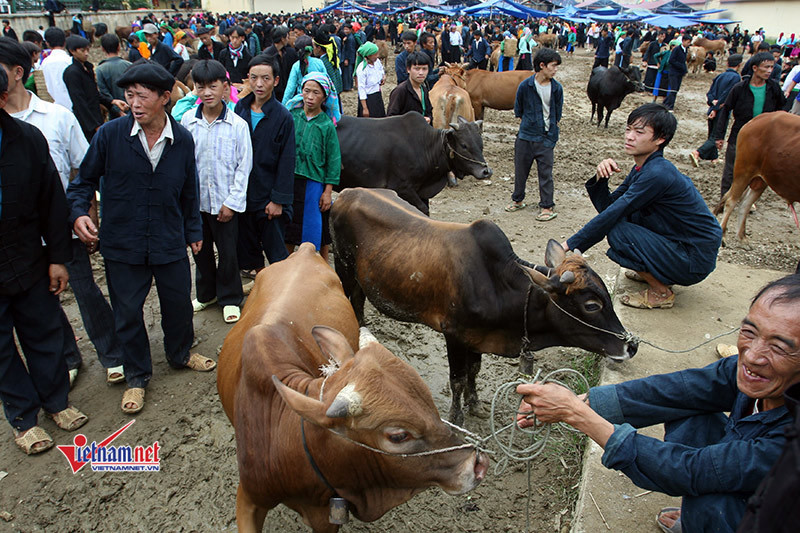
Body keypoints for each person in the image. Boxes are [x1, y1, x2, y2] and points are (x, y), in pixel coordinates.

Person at [517, 272, 800, 533]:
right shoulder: (755, 371)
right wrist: (587, 401)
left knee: (712, 505)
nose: (752, 356)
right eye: (749, 332)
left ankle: (713, 519)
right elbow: (681, 390)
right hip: (756, 481)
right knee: (689, 410)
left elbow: (689, 469)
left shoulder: (792, 443)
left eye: (779, 347)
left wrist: (574, 412)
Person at [67, 62, 216, 416]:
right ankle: (136, 375)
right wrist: (78, 213)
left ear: (165, 98)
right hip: (123, 244)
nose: (134, 102)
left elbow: (189, 192)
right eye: (129, 95)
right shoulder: (110, 135)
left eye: (142, 95)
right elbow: (82, 181)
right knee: (128, 312)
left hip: (168, 238)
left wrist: (193, 231)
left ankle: (180, 353)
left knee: (178, 304)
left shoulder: (182, 139)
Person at [0, 37, 126, 387]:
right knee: (42, 305)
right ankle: (67, 357)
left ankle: (111, 354)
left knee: (85, 291)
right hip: (16, 240)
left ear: (16, 72)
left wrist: (89, 216)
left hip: (62, 226)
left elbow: (82, 171)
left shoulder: (56, 118)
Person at [0, 66, 89, 455]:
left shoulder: (27, 140)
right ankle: (23, 416)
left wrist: (57, 257)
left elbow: (52, 201)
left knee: (44, 330)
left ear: (3, 99)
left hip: (27, 254)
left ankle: (57, 402)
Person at [563, 103, 722, 309]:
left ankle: (661, 292)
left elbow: (613, 215)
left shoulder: (657, 174)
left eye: (639, 132)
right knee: (623, 219)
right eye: (628, 129)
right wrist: (601, 179)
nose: (629, 136)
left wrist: (568, 245)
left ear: (660, 139)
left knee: (618, 231)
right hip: (682, 247)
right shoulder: (644, 167)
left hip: (693, 259)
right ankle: (656, 271)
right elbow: (610, 207)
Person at [181, 60, 252, 324]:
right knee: (200, 251)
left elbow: (243, 167)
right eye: (201, 87)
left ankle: (230, 297)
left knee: (228, 252)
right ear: (194, 89)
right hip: (197, 203)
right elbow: (184, 166)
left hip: (225, 203)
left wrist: (232, 203)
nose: (207, 92)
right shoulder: (188, 123)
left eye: (213, 86)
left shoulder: (237, 125)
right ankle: (206, 294)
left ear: (225, 88)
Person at [234, 55, 295, 277]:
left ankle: (282, 292)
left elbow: (287, 161)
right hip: (244, 196)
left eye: (265, 78)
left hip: (269, 197)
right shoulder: (238, 111)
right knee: (249, 251)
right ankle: (261, 285)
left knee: (276, 252)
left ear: (276, 81)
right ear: (247, 80)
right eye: (254, 78)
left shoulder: (282, 117)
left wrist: (278, 200)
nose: (259, 84)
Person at [284, 72, 340, 263]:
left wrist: (328, 191)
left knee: (313, 227)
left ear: (324, 96)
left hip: (313, 183)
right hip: (290, 181)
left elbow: (333, 159)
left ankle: (312, 266)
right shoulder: (292, 116)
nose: (309, 97)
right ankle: (286, 267)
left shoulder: (326, 125)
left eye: (315, 93)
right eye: (306, 91)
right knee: (289, 226)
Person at [713, 52, 785, 198]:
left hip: (765, 139)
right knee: (731, 169)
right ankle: (725, 198)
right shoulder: (739, 88)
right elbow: (726, 110)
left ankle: (746, 199)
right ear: (754, 68)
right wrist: (719, 136)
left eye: (772, 67)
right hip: (740, 135)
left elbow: (782, 111)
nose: (770, 71)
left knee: (756, 171)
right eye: (766, 67)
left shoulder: (774, 89)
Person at [506, 48, 563, 222]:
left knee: (546, 174)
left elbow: (557, 113)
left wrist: (549, 133)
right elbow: (519, 110)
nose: (555, 70)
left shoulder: (556, 88)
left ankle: (547, 206)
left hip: (546, 138)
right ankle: (518, 200)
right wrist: (530, 126)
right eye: (553, 66)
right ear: (542, 66)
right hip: (525, 137)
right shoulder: (525, 86)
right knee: (521, 170)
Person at [62, 36, 123, 141]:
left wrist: (112, 101)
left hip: (96, 116)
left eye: (87, 50)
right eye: (82, 50)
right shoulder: (72, 73)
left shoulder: (88, 68)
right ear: (72, 51)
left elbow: (94, 94)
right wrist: (94, 126)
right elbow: (80, 102)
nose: (86, 53)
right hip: (87, 122)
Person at [690, 53, 743, 167]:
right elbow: (727, 96)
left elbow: (710, 92)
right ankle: (697, 152)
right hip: (721, 110)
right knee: (716, 136)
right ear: (739, 65)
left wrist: (712, 102)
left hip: (713, 107)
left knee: (712, 134)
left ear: (727, 63)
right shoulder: (736, 78)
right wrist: (716, 107)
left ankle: (713, 157)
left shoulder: (720, 76)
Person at [387, 51, 433, 122]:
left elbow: (429, 111)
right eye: (417, 69)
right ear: (408, 69)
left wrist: (429, 118)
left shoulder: (424, 89)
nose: (421, 73)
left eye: (424, 69)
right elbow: (391, 118)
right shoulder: (401, 91)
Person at [95, 33, 132, 119]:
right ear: (119, 47)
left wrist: (118, 111)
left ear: (103, 49)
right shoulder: (130, 65)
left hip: (115, 115)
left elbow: (104, 94)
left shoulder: (100, 70)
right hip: (133, 110)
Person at [263, 26, 298, 103]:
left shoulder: (287, 51)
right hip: (273, 91)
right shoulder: (267, 54)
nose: (289, 39)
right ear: (282, 39)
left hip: (285, 89)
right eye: (287, 36)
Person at [40, 27, 72, 110]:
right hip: (73, 105)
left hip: (57, 106)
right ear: (65, 42)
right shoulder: (70, 61)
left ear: (47, 43)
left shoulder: (45, 63)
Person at [355, 41, 385, 118]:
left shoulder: (377, 62)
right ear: (368, 55)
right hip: (368, 99)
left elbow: (381, 70)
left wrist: (383, 76)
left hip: (377, 95)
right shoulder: (362, 69)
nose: (377, 56)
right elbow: (361, 89)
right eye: (375, 54)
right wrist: (365, 108)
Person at [663, 34, 690, 110]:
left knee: (676, 89)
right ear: (683, 41)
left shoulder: (685, 50)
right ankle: (670, 106)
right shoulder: (677, 49)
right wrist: (681, 66)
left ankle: (665, 103)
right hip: (674, 72)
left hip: (680, 73)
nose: (688, 44)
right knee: (673, 89)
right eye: (688, 42)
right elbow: (671, 60)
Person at [339, 23, 356, 92]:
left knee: (348, 73)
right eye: (344, 29)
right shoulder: (348, 37)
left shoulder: (350, 38)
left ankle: (348, 87)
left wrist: (346, 59)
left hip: (348, 58)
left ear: (350, 30)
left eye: (347, 29)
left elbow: (349, 49)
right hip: (349, 57)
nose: (345, 31)